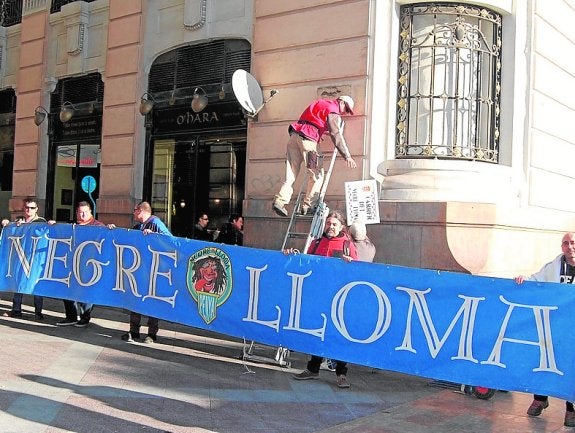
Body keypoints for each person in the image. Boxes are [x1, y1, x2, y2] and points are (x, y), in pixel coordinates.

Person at [285, 210, 357, 388]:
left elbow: (357, 272)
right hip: (318, 296)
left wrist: (351, 264)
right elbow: (305, 264)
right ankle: (313, 369)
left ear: (341, 227)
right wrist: (290, 255)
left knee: (337, 334)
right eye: (328, 223)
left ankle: (341, 373)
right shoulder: (316, 243)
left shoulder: (347, 245)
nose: (330, 226)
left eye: (334, 224)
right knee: (317, 332)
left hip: (339, 298)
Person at [514, 232, 575, 427]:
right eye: (565, 243)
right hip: (553, 325)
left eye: (573, 243)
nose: (569, 247)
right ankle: (540, 397)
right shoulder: (554, 267)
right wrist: (523, 280)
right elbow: (536, 280)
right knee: (543, 358)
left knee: (570, 366)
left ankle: (571, 408)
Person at [272, 95, 357, 217]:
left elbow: (313, 121)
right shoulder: (334, 110)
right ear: (341, 102)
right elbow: (336, 134)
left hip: (294, 138)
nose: (345, 112)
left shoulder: (320, 103)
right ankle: (308, 206)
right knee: (317, 174)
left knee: (291, 173)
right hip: (308, 142)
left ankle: (280, 201)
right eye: (346, 109)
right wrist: (347, 155)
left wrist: (321, 132)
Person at [121, 201, 171, 344]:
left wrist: (154, 235)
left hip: (154, 270)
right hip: (139, 269)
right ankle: (134, 331)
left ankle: (151, 333)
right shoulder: (138, 227)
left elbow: (170, 240)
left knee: (152, 300)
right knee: (135, 298)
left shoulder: (155, 223)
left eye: (135, 210)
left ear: (142, 211)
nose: (133, 212)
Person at [49, 201, 106, 327]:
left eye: (85, 212)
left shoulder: (98, 226)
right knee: (67, 289)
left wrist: (111, 228)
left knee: (86, 291)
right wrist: (54, 226)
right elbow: (60, 234)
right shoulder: (72, 226)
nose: (83, 214)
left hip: (89, 265)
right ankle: (71, 316)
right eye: (80, 212)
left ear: (91, 212)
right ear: (76, 213)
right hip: (71, 264)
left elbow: (106, 239)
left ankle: (85, 317)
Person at [1, 197, 46, 320]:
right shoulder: (19, 220)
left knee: (36, 284)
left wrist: (51, 225)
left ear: (36, 209)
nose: (29, 210)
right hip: (20, 257)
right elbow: (10, 230)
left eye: (32, 208)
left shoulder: (41, 221)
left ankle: (38, 311)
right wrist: (7, 223)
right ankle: (16, 309)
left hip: (35, 258)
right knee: (19, 283)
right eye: (27, 207)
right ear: (23, 208)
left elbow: (46, 233)